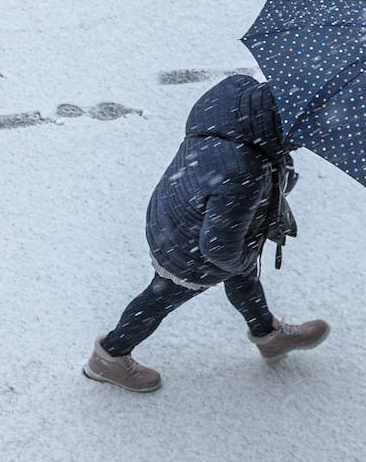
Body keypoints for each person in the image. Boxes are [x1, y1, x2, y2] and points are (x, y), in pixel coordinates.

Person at [84, 74, 329, 392]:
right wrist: (242, 255)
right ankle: (110, 357)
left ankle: (268, 334)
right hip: (192, 248)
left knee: (244, 276)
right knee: (162, 296)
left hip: (178, 205)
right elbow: (220, 249)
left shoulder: (235, 95)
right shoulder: (245, 173)